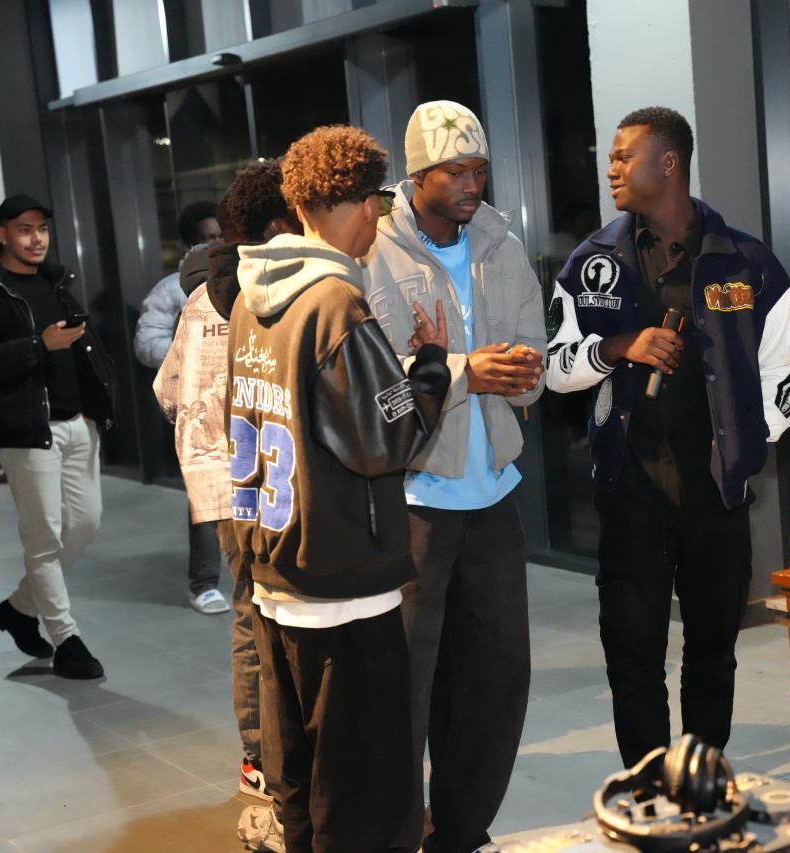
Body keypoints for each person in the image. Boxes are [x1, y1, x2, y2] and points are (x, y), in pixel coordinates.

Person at [545, 106, 790, 769]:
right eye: (610, 158)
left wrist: (748, 438)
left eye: (623, 156)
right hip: (628, 493)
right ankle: (646, 786)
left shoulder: (746, 260)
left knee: (713, 651)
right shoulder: (591, 261)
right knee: (631, 654)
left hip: (715, 494)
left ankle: (701, 776)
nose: (610, 169)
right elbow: (554, 367)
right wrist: (618, 347)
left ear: (668, 163)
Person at [228, 125, 450, 853]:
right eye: (378, 205)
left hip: (276, 571)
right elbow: (388, 440)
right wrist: (430, 366)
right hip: (343, 584)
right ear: (361, 205)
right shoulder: (332, 303)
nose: (379, 220)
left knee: (300, 782)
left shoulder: (249, 301)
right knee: (362, 795)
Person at [362, 99, 544, 853]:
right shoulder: (373, 252)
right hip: (413, 498)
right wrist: (465, 369)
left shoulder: (502, 244)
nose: (472, 185)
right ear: (417, 175)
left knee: (496, 677)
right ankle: (399, 830)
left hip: (493, 494)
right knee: (407, 681)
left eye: (480, 170)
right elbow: (371, 386)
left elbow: (531, 367)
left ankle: (463, 831)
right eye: (455, 171)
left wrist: (519, 371)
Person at [155, 161, 302, 818]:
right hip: (273, 478)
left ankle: (257, 756)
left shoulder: (200, 299)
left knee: (249, 612)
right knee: (270, 616)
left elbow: (167, 389)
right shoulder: (284, 294)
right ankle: (272, 752)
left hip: (222, 480)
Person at [0, 194, 116, 679]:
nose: (36, 238)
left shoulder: (56, 281)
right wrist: (38, 346)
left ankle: (19, 608)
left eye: (42, 228)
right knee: (43, 538)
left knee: (85, 523)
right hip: (25, 429)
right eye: (24, 229)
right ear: (2, 234)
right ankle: (68, 642)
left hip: (78, 422)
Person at [135, 200, 228, 615]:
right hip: (197, 406)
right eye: (208, 237)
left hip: (240, 397)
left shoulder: (240, 278)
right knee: (204, 493)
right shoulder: (170, 290)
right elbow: (146, 344)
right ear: (191, 242)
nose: (216, 243)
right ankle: (204, 584)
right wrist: (188, 352)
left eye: (220, 235)